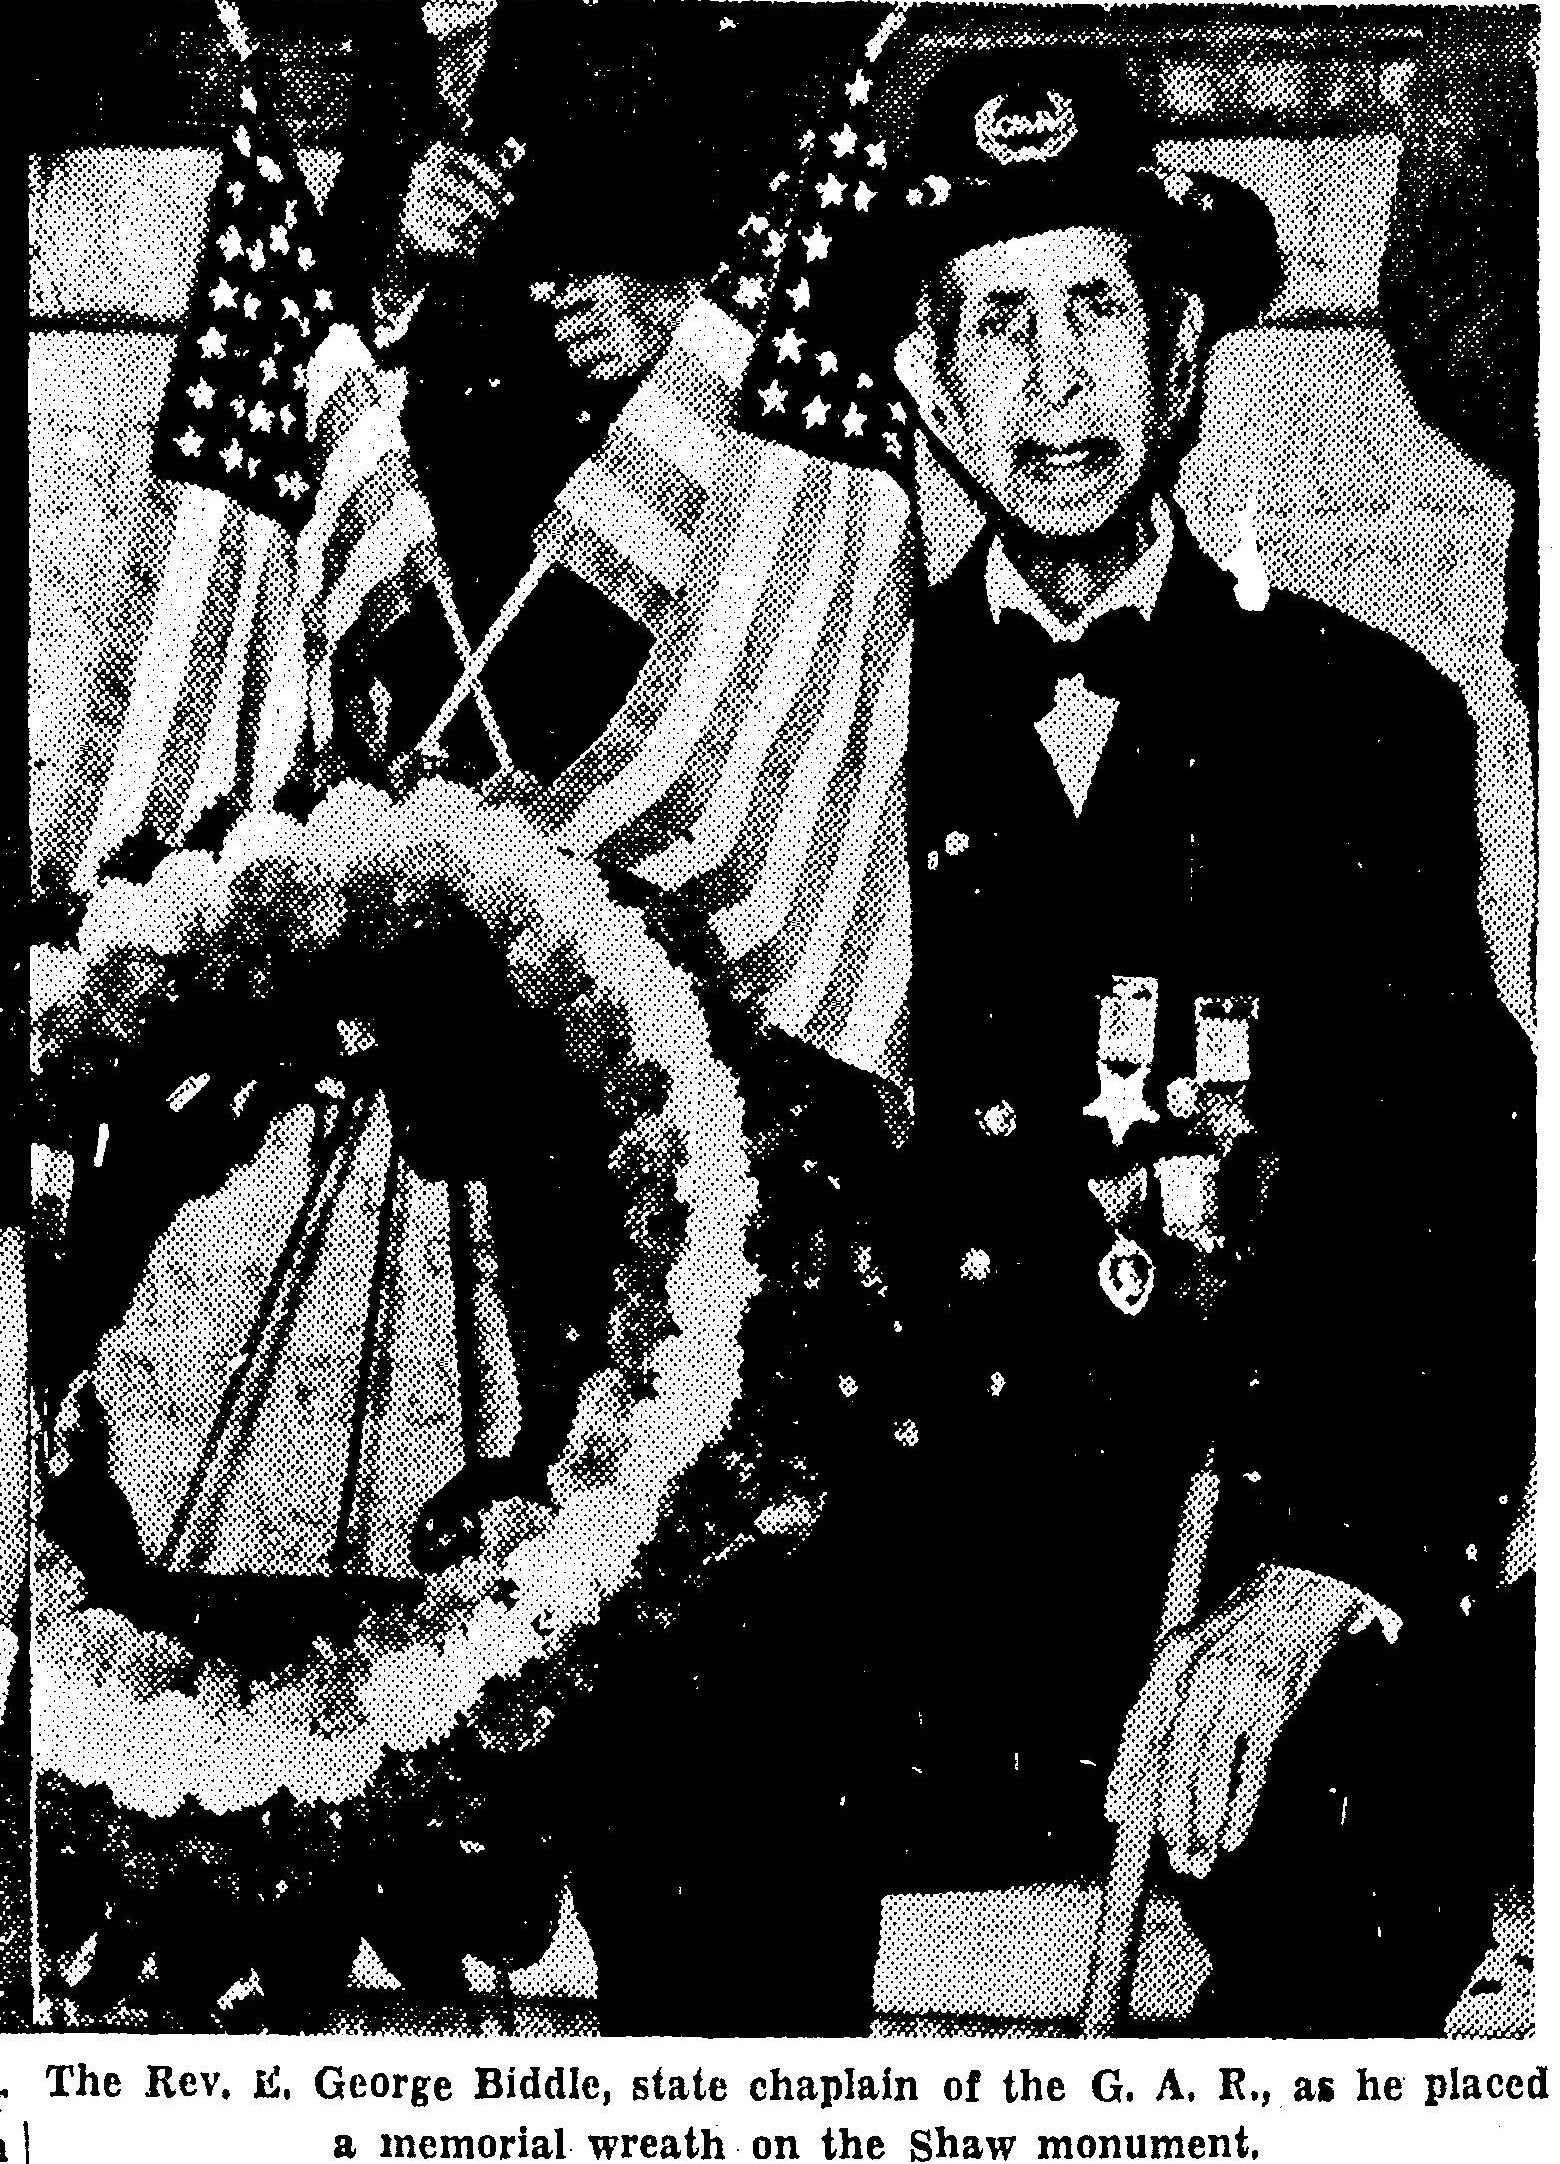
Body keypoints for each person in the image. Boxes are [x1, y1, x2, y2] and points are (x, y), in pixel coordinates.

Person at [547, 49, 1533, 2037]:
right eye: (996, 319)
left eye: (1098, 309)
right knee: (677, 1736)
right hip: (913, 1575)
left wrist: (1314, 1573)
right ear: (922, 381)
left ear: (1182, 355)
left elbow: (1447, 1189)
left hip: (1213, 1555)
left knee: (1399, 1793)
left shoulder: (1356, 726)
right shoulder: (820, 730)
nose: (1056, 379)